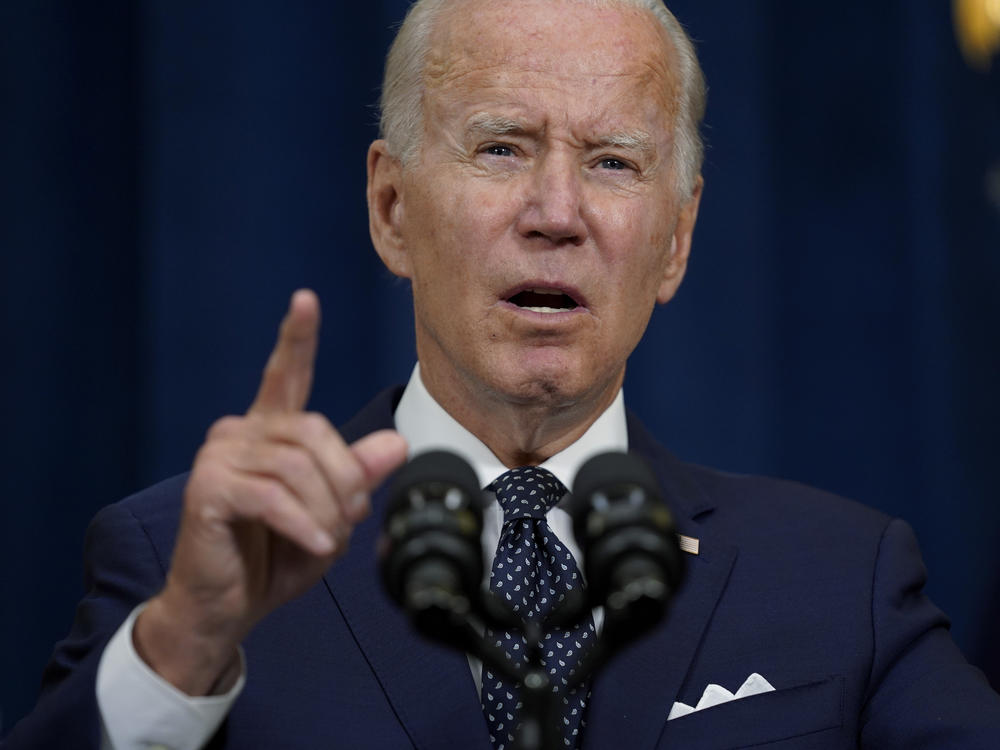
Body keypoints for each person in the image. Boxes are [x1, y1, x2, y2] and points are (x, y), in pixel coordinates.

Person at [6, 0, 1000, 748]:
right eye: (501, 148)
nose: (555, 211)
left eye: (612, 162)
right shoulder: (189, 570)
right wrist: (184, 642)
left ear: (676, 240)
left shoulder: (842, 579)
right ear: (392, 209)